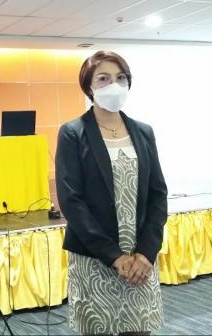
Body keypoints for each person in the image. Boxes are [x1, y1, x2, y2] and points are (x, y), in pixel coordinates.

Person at [55, 51, 167, 335]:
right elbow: (71, 200)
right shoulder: (72, 132)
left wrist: (146, 253)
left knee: (139, 329)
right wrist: (115, 256)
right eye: (103, 78)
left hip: (139, 257)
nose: (114, 85)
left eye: (121, 78)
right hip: (95, 255)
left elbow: (158, 194)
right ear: (89, 86)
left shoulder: (143, 132)